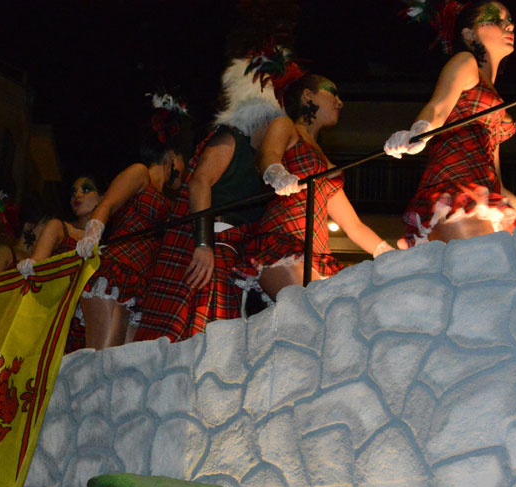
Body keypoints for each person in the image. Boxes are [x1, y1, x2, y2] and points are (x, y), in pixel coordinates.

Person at [384, 1, 516, 247]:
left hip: (484, 200)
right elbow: (438, 108)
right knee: (486, 273)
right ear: (468, 34)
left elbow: (496, 181)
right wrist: (417, 133)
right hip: (454, 194)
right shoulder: (465, 62)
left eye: (509, 19)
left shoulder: (495, 101)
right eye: (495, 20)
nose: (509, 25)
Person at [135, 57, 282, 343]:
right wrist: (203, 245)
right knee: (200, 333)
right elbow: (199, 182)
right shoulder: (230, 139)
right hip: (213, 242)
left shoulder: (260, 158)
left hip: (232, 251)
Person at [243, 48, 399, 300]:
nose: (340, 102)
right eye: (333, 94)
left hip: (317, 252)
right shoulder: (285, 126)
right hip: (282, 242)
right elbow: (267, 157)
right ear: (308, 96)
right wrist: (276, 173)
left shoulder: (324, 160)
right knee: (313, 311)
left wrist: (388, 253)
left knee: (334, 317)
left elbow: (354, 226)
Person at [70, 95, 188, 348]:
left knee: (122, 366)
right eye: (183, 158)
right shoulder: (140, 172)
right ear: (172, 156)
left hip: (141, 284)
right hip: (117, 271)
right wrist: (92, 236)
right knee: (103, 355)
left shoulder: (172, 199)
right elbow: (108, 204)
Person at [18, 175, 105, 352]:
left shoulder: (110, 241)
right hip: (55, 317)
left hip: (89, 323)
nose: (77, 195)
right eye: (74, 192)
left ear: (103, 198)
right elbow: (37, 265)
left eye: (86, 189)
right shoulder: (59, 227)